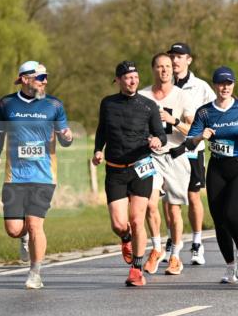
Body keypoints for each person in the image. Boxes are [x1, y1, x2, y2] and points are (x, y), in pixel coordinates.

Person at [0, 61, 73, 289]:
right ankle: (24, 237)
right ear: (25, 79)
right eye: (40, 77)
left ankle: (35, 273)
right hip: (15, 176)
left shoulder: (54, 105)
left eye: (46, 77)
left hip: (44, 175)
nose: (45, 81)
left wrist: (67, 136)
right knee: (14, 229)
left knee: (36, 224)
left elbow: (65, 139)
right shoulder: (6, 103)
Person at [92, 61, 166, 286]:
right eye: (127, 77)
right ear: (118, 80)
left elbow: (161, 135)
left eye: (135, 77)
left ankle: (136, 269)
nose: (133, 81)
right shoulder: (108, 104)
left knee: (136, 220)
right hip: (115, 169)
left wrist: (156, 140)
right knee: (119, 224)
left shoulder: (148, 106)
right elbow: (102, 130)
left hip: (142, 167)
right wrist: (97, 150)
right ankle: (125, 239)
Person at [185, 67, 238, 283]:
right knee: (219, 221)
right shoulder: (204, 112)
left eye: (228, 83)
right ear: (215, 85)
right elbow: (189, 141)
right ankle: (229, 267)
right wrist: (201, 136)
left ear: (233, 85)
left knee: (232, 215)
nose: (224, 87)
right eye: (220, 83)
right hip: (217, 168)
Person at [138, 53, 195, 275]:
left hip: (175, 156)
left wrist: (174, 121)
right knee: (150, 203)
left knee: (173, 209)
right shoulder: (142, 95)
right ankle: (156, 248)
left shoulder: (182, 97)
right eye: (160, 67)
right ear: (153, 69)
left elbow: (193, 131)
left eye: (168, 66)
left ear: (173, 69)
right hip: (150, 157)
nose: (164, 70)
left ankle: (175, 256)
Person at [167, 42, 216, 265]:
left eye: (179, 56)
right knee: (169, 199)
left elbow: (214, 114)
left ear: (189, 60)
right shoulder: (164, 85)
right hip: (168, 150)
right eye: (172, 56)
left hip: (193, 149)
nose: (175, 60)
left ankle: (197, 242)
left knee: (192, 195)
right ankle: (173, 240)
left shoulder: (201, 87)